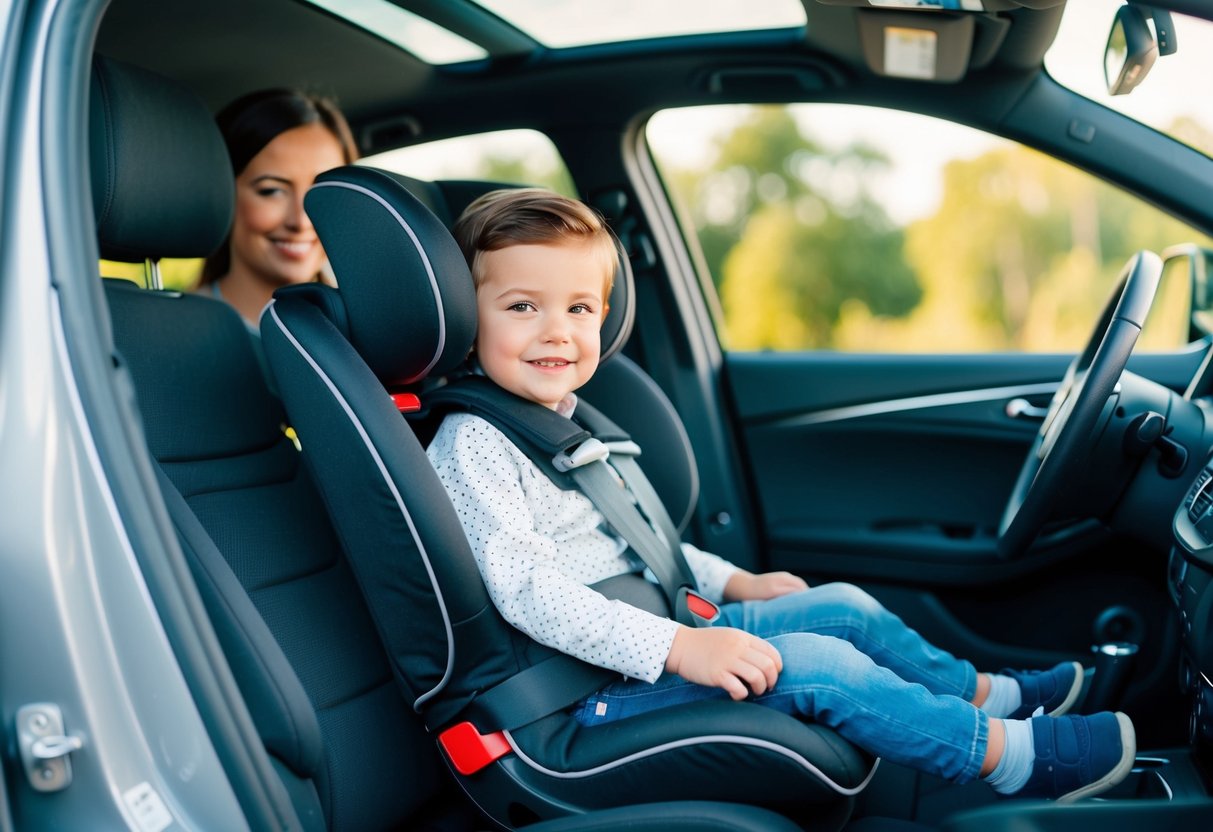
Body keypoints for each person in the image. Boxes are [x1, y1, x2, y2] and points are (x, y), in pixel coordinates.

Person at [426, 188, 1136, 802]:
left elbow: (638, 541)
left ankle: (991, 698)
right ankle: (1008, 761)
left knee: (844, 610)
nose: (557, 331)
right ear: (466, 318)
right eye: (523, 306)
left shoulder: (565, 421)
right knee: (821, 669)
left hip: (645, 638)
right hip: (588, 692)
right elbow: (525, 591)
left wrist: (734, 581)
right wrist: (679, 648)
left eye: (579, 308)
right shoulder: (474, 443)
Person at [198, 89, 358, 328]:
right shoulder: (172, 335)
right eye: (271, 191)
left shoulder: (370, 332)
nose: (301, 221)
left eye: (322, 192)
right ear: (221, 195)